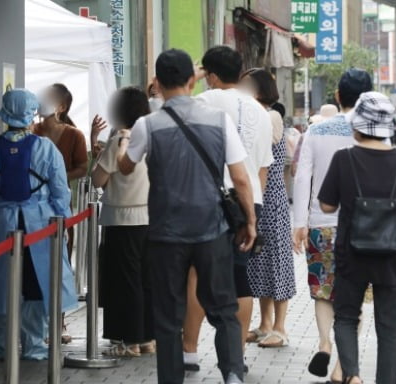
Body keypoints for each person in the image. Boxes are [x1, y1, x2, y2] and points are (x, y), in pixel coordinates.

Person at [117, 48, 257, 384]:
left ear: (157, 82)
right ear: (193, 80)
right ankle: (233, 375)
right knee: (223, 308)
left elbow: (125, 168)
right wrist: (250, 221)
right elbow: (240, 178)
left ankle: (171, 379)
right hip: (211, 230)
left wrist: (123, 144)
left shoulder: (146, 125)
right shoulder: (219, 120)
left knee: (167, 315)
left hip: (166, 234)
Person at [318, 91, 396, 384]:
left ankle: (351, 375)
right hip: (393, 256)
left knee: (346, 318)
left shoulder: (344, 159)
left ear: (357, 125)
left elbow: (327, 205)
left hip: (352, 255)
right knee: (389, 328)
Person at [182, 46, 273, 372]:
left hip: (208, 200)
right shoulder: (261, 111)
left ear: (210, 75)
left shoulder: (201, 102)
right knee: (239, 279)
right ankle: (237, 356)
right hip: (249, 203)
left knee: (197, 274)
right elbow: (261, 171)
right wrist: (251, 213)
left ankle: (189, 351)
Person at [0, 89, 78, 360]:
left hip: (0, 224)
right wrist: (61, 224)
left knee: (1, 284)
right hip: (38, 224)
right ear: (31, 113)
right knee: (34, 284)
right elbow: (60, 191)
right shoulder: (45, 148)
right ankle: (33, 345)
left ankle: (1, 347)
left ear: (5, 114)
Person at [293, 69, 373, 383]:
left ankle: (324, 341)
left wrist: (299, 223)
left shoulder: (318, 130)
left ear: (338, 96)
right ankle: (343, 367)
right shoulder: (374, 130)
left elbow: (302, 177)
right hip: (363, 228)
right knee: (353, 299)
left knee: (324, 293)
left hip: (321, 224)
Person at [91, 87, 154, 357]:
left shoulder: (120, 138)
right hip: (151, 218)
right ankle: (149, 338)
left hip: (122, 219)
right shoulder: (151, 135)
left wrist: (99, 154)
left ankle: (130, 342)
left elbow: (98, 179)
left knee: (125, 281)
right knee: (146, 279)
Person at [239, 68, 296, 348]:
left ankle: (280, 327)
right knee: (259, 263)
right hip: (258, 197)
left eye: (246, 84)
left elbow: (264, 146)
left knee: (276, 262)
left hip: (271, 199)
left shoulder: (270, 115)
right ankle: (264, 325)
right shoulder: (255, 114)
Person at [33, 83, 88, 344]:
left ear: (62, 107)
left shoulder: (74, 135)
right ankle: (35, 325)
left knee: (61, 262)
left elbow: (82, 168)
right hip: (34, 209)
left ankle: (60, 323)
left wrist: (57, 177)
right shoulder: (32, 131)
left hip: (61, 205)